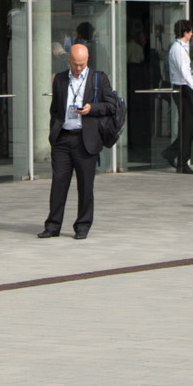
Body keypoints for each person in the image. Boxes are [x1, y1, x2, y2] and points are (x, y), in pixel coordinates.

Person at [38, 43, 120, 239]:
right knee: (58, 183)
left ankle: (82, 226)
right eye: (75, 64)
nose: (78, 68)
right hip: (63, 138)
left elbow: (112, 105)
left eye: (82, 64)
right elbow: (55, 109)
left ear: (87, 60)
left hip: (86, 139)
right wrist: (54, 133)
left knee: (85, 186)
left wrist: (91, 108)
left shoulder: (99, 78)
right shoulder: (59, 79)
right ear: (69, 60)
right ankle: (52, 225)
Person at [162, 19, 193, 174]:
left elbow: (185, 73)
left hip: (184, 87)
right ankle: (181, 161)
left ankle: (174, 153)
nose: (192, 34)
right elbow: (184, 75)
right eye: (191, 31)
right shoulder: (178, 49)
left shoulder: (180, 48)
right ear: (186, 32)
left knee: (191, 126)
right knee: (191, 126)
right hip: (184, 89)